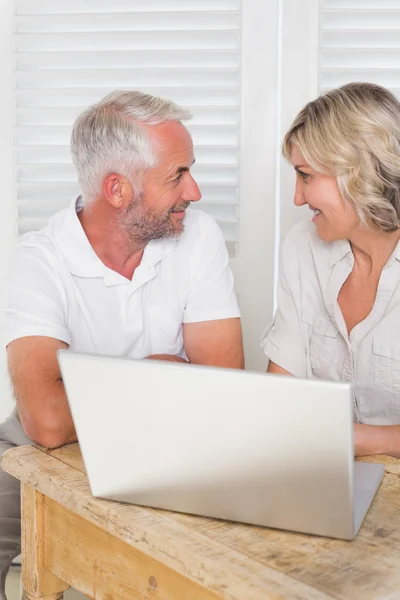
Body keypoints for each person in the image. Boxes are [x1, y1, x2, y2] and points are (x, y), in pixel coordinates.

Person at [0, 90, 244, 598]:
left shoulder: (198, 237)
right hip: (45, 442)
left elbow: (224, 391)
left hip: (167, 436)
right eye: (177, 175)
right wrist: (161, 372)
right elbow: (46, 422)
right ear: (116, 189)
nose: (194, 191)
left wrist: (93, 387)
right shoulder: (36, 259)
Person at [261, 82, 400, 458]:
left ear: (361, 171)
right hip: (318, 476)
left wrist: (347, 438)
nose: (297, 197)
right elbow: (281, 399)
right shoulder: (302, 247)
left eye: (306, 175)